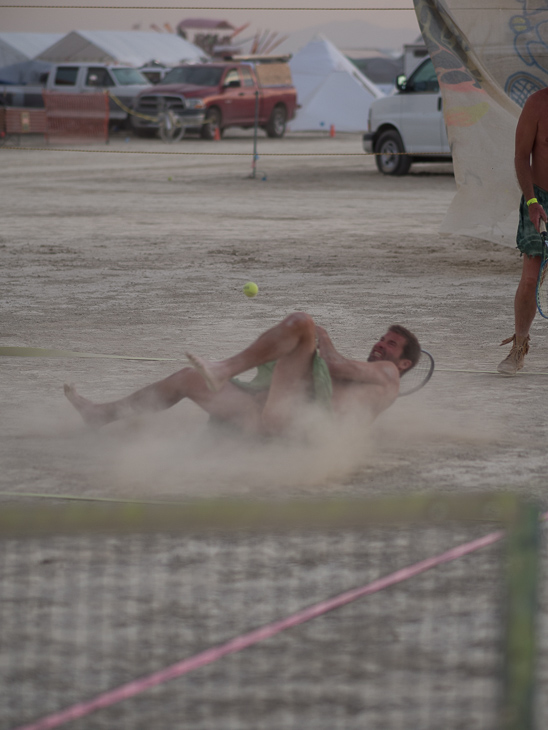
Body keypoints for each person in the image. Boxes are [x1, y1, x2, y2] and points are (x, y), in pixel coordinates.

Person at [64, 312, 421, 435]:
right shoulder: (365, 383)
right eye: (380, 339)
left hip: (298, 429)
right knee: (187, 378)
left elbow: (333, 365)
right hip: (265, 421)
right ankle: (101, 414)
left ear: (403, 364)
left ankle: (223, 369)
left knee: (302, 324)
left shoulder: (388, 375)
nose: (380, 346)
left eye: (390, 345)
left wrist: (320, 338)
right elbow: (336, 370)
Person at [498, 87, 548, 375]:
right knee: (530, 281)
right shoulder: (537, 104)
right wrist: (531, 201)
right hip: (539, 199)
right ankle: (519, 346)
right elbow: (521, 157)